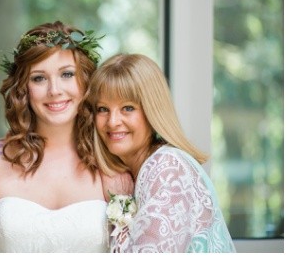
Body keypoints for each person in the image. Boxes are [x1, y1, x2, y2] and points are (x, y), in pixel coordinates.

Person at [0, 21, 132, 252]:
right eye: (39, 78)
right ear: (23, 88)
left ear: (86, 81)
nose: (54, 90)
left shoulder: (113, 165)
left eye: (67, 74)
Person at [88, 53, 235, 252]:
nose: (112, 121)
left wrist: (120, 203)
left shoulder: (168, 168)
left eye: (127, 108)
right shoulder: (139, 170)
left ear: (152, 110)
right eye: (103, 109)